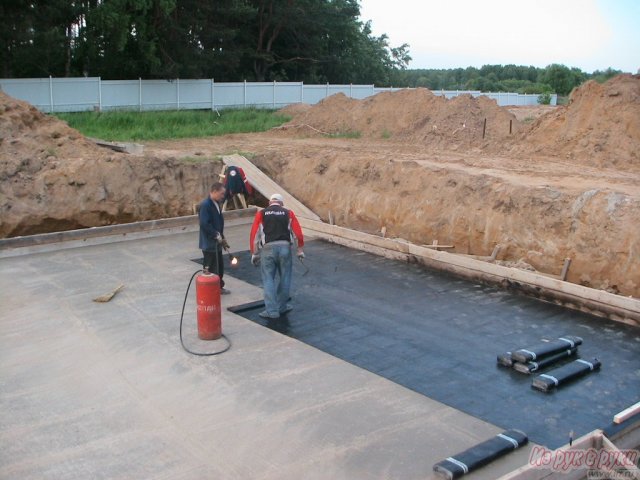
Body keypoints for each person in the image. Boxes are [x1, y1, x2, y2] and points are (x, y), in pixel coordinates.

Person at [249, 193, 305, 318]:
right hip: (285, 248)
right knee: (285, 278)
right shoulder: (288, 213)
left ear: (270, 203)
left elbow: (254, 234)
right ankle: (282, 307)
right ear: (282, 203)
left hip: (268, 249)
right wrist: (300, 250)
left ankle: (272, 311)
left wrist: (254, 253)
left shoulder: (261, 213)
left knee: (268, 278)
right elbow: (298, 233)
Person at [199, 182, 230, 294]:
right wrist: (215, 235)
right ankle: (209, 288)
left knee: (219, 265)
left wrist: (222, 238)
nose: (223, 196)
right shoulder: (206, 205)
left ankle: (218, 286)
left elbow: (218, 223)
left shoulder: (216, 204)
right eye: (221, 194)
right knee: (210, 266)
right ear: (214, 191)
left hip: (216, 242)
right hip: (209, 243)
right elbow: (204, 224)